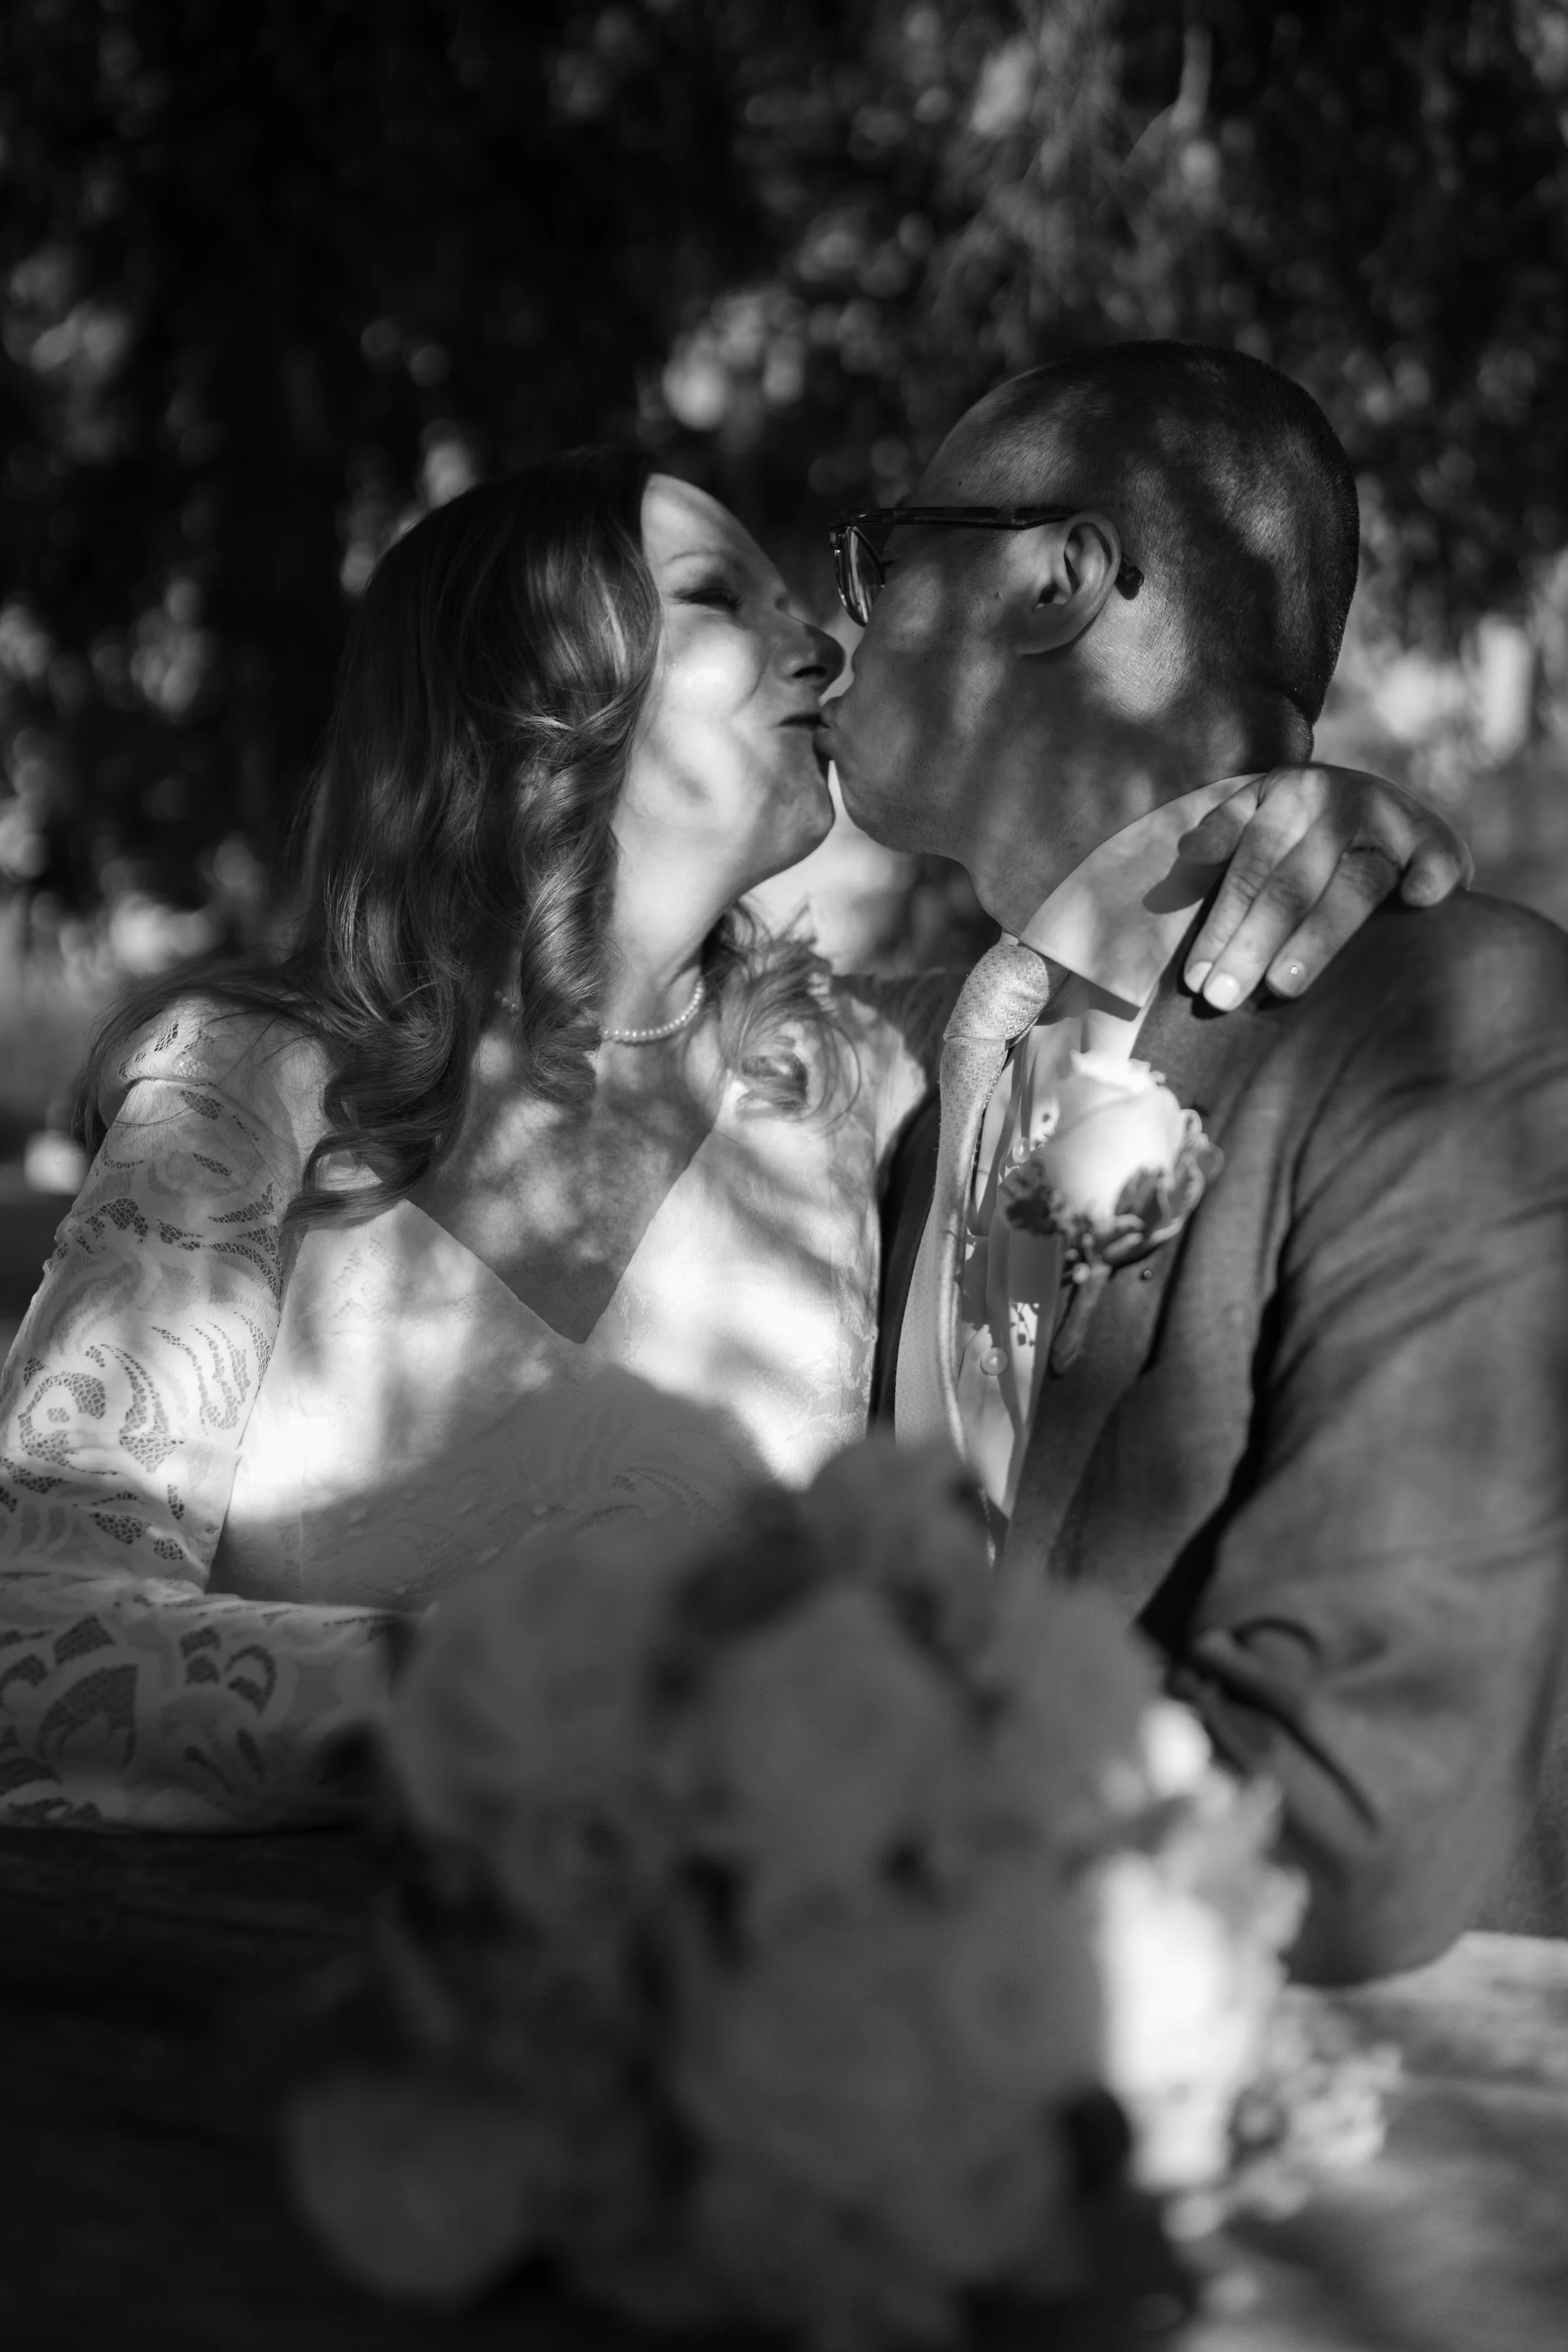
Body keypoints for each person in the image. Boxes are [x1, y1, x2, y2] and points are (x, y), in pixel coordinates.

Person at [0, 446, 1467, 1829]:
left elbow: (1129, 960)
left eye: (796, 605)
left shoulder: (869, 1068)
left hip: (741, 2026)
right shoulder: (247, 1087)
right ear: (521, 686)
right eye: (717, 597)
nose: (825, 649)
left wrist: (1292, 809)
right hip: (269, 2014)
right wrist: (563, 1705)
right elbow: (36, 1634)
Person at [832, 341, 1568, 1983]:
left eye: (884, 554)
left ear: (1052, 578)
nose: (844, 620)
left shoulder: (1452, 1017)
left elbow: (1352, 1797)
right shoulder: (913, 1077)